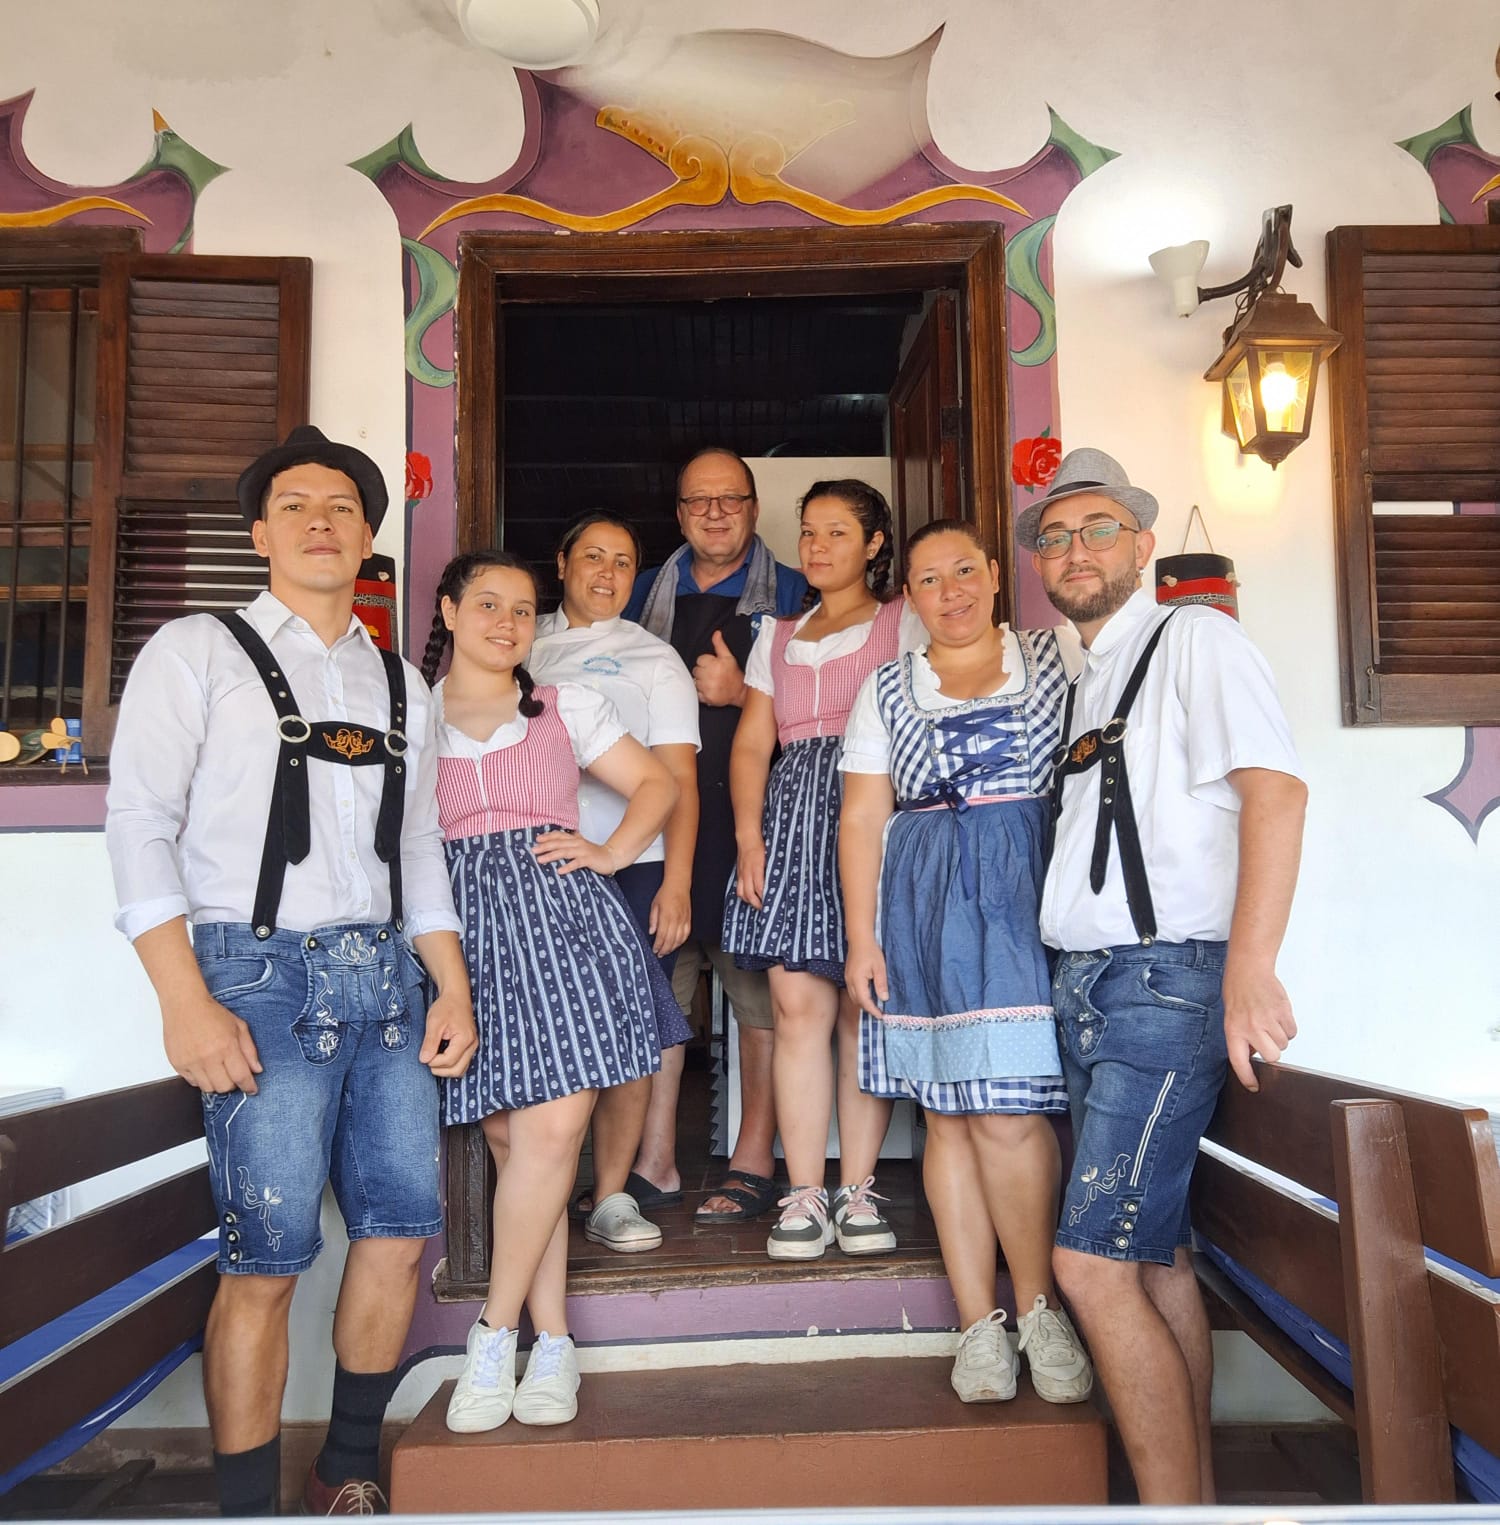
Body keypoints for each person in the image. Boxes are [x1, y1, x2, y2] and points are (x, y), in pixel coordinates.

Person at [106, 426, 478, 1517]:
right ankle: (246, 1510)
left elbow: (418, 851)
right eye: (296, 505)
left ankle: (344, 1468)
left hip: (390, 983)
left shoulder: (403, 684)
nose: (322, 520)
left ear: (368, 537)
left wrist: (451, 984)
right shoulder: (195, 648)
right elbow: (138, 823)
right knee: (265, 1259)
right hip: (254, 979)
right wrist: (183, 997)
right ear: (260, 534)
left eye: (343, 507)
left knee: (398, 1237)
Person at [1029, 448, 1306, 1503]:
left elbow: (1276, 792)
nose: (1075, 549)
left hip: (1163, 982)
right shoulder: (1090, 675)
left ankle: (1169, 1512)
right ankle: (1194, 1502)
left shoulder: (1196, 638)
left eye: (1098, 528)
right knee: (1153, 1259)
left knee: (1090, 1266)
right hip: (1092, 984)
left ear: (1144, 545)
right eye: (1055, 536)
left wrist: (1250, 968)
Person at [422, 551, 683, 1433]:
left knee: (557, 1129)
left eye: (522, 610)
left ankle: (492, 1334)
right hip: (466, 935)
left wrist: (610, 853)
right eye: (487, 604)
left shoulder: (565, 705)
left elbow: (657, 782)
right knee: (514, 1145)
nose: (507, 622)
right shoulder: (413, 717)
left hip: (565, 920)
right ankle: (556, 1341)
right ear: (448, 611)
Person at [839, 519, 1094, 1409]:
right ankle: (977, 1319)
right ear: (908, 595)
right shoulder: (887, 687)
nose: (948, 592)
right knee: (947, 1113)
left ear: (993, 573)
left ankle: (1040, 1308)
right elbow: (863, 817)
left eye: (962, 571)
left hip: (1026, 893)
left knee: (1011, 1112)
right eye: (927, 579)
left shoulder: (1058, 655)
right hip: (923, 898)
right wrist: (861, 936)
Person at [722, 480, 925, 1260]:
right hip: (792, 821)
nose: (817, 546)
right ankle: (804, 1192)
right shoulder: (776, 634)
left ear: (874, 544)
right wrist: (749, 837)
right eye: (809, 532)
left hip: (875, 814)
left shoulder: (902, 620)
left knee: (860, 1008)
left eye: (838, 532)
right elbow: (752, 742)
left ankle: (859, 1189)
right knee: (797, 1009)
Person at [626, 446, 807, 1223]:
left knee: (760, 998)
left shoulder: (795, 591)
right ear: (679, 514)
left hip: (753, 827)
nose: (714, 514)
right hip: (657, 828)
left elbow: (836, 715)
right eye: (698, 501)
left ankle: (754, 1155)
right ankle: (654, 1160)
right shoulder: (639, 592)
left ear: (754, 507)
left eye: (729, 499)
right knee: (658, 997)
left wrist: (742, 696)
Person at [530, 512, 701, 1250]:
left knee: (629, 1030)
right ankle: (543, 1185)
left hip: (635, 865)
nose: (606, 572)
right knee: (549, 1023)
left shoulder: (654, 658)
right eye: (592, 556)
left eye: (623, 562)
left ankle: (611, 1194)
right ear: (561, 562)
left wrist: (677, 883)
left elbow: (678, 782)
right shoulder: (518, 636)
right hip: (537, 864)